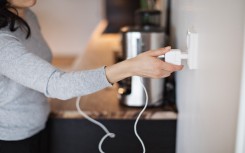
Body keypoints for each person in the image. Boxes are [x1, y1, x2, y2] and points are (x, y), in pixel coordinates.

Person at [0, 0, 183, 152]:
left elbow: (38, 71)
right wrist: (130, 67)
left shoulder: (27, 16)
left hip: (40, 124)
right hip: (11, 139)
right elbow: (57, 85)